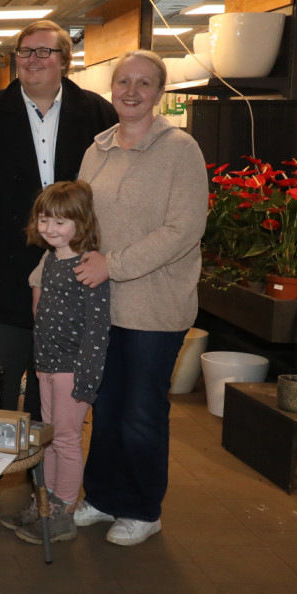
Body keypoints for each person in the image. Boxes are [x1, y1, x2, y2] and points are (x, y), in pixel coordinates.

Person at [0, 20, 116, 419]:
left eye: (43, 52)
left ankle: (48, 475)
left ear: (65, 61)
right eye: (24, 51)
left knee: (55, 394)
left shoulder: (98, 114)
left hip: (72, 274)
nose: (32, 59)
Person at [71, 49, 207, 546]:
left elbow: (184, 229)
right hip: (102, 304)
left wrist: (116, 264)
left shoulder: (180, 149)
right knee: (105, 406)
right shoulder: (97, 148)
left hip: (155, 305)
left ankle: (143, 508)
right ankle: (104, 497)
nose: (131, 91)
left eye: (143, 83)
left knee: (141, 411)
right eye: (123, 81)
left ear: (159, 93)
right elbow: (80, 218)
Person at [2, 180, 109, 546]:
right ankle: (43, 504)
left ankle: (63, 513)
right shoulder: (49, 260)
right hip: (46, 365)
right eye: (45, 220)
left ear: (81, 223)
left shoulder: (87, 267)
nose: (51, 229)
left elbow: (97, 331)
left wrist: (86, 381)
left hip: (71, 370)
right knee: (47, 438)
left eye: (61, 222)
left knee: (65, 440)